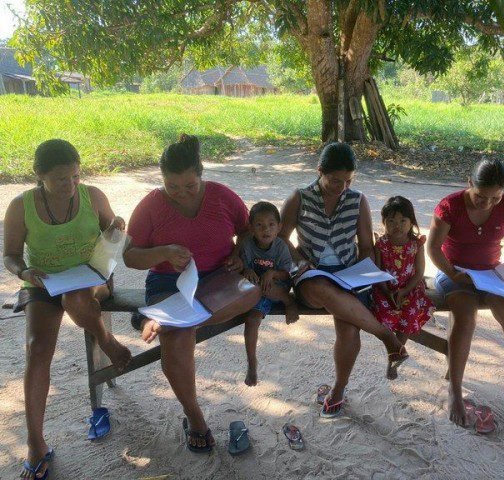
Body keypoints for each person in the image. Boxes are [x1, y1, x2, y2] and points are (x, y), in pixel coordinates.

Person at [3, 139, 132, 480]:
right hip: (43, 282)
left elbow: (113, 236)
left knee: (75, 299)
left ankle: (105, 339)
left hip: (92, 277)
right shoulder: (20, 206)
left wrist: (116, 228)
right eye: (61, 178)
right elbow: (10, 255)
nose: (71, 185)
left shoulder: (93, 196)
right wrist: (24, 272)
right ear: (39, 175)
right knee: (36, 349)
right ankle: (35, 443)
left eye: (76, 176)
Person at [123, 134, 260, 453]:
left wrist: (238, 254)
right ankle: (195, 417)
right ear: (162, 179)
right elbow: (130, 257)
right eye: (172, 187)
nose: (182, 193)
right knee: (176, 342)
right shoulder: (150, 205)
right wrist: (164, 252)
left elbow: (247, 231)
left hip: (218, 279)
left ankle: (170, 319)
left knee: (252, 292)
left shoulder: (222, 196)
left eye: (190, 185)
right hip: (168, 283)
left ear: (201, 175)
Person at [279, 142, 409, 418]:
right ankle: (386, 336)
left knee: (349, 328)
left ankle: (338, 390)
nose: (342, 187)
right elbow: (281, 239)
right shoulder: (299, 198)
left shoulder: (357, 200)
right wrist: (301, 262)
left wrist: (365, 274)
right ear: (319, 172)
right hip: (311, 276)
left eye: (348, 181)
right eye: (335, 181)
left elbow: (366, 247)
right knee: (321, 287)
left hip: (349, 274)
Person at [426, 158, 504, 427]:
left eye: (495, 197)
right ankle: (455, 389)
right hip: (454, 272)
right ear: (469, 183)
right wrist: (452, 274)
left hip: (490, 273)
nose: (488, 203)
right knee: (465, 318)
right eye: (481, 197)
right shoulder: (450, 206)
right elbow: (433, 248)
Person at [372, 196, 435, 380]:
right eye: (391, 221)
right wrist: (387, 291)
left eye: (402, 221)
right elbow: (377, 271)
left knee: (410, 311)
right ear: (383, 222)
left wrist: (404, 291)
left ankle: (395, 354)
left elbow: (419, 272)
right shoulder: (381, 244)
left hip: (410, 288)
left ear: (411, 222)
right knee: (381, 312)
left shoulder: (416, 244)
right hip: (384, 288)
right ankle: (394, 350)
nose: (397, 226)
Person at [240, 201, 299, 386]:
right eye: (259, 225)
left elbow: (287, 273)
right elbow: (243, 268)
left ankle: (289, 302)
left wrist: (272, 273)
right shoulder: (247, 244)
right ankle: (251, 363)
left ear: (279, 227)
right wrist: (246, 270)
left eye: (271, 225)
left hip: (277, 288)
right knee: (251, 320)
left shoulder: (280, 246)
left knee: (268, 287)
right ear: (251, 228)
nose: (266, 229)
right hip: (257, 292)